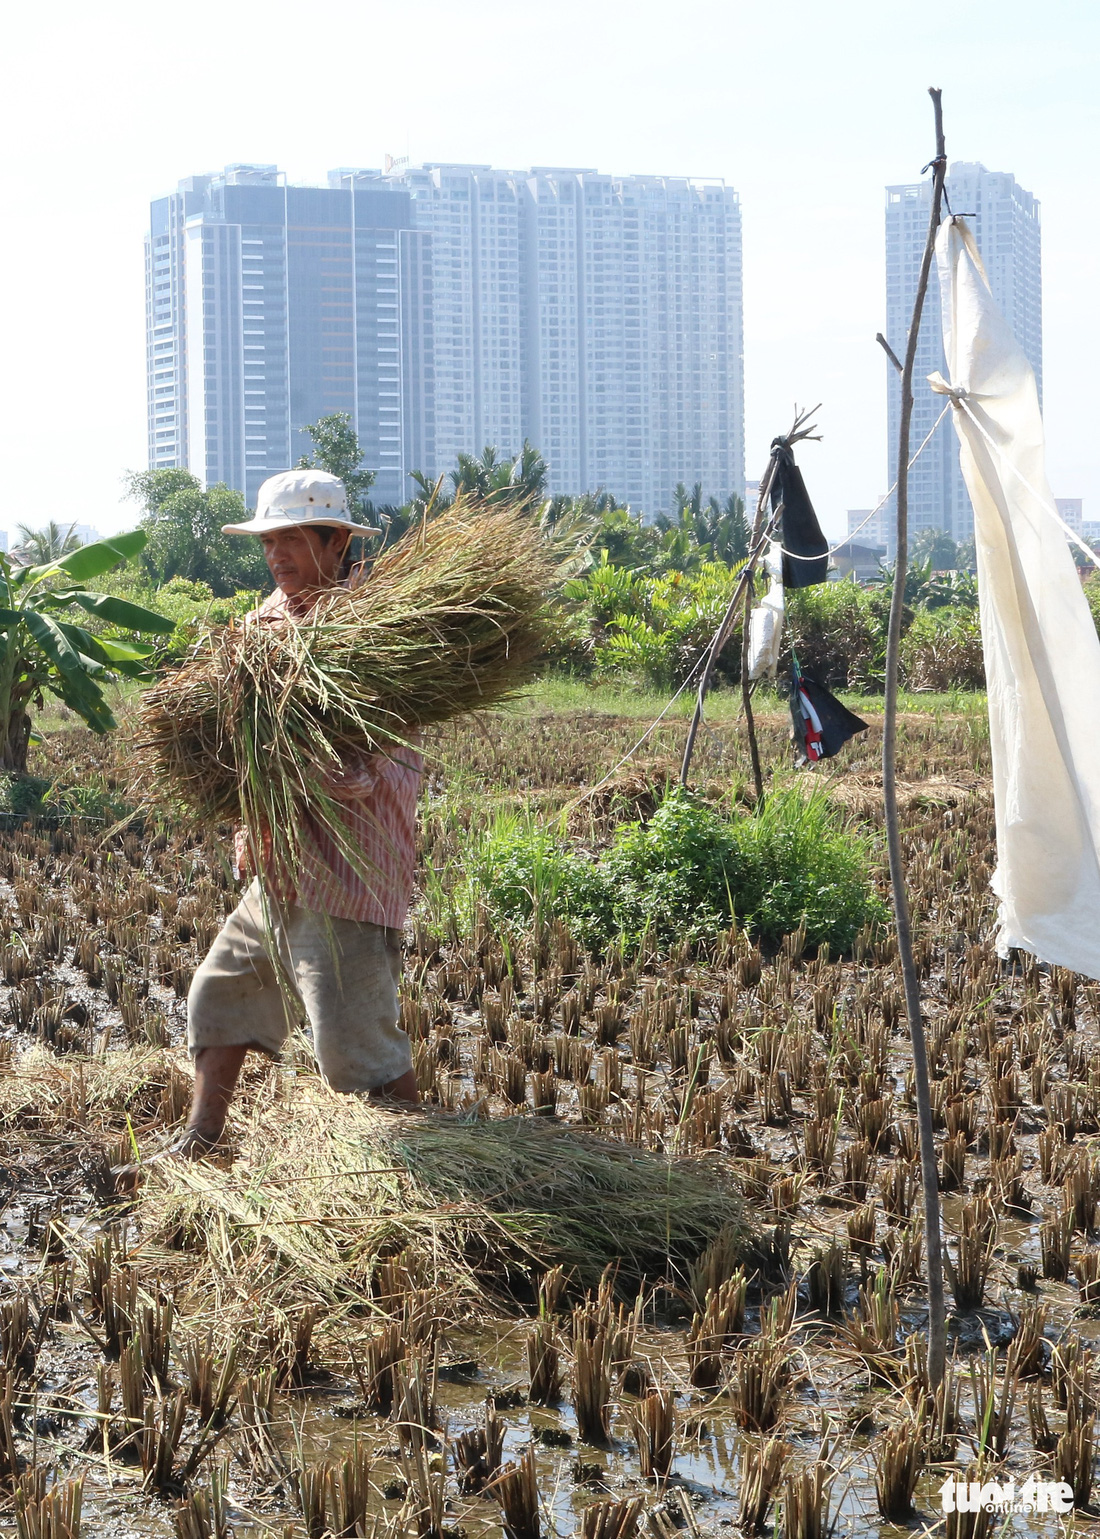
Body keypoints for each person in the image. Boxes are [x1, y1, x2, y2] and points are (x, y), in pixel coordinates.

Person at [175, 468, 422, 1159]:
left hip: (348, 873)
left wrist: (297, 763)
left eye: (290, 539)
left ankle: (428, 1157)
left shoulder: (374, 633)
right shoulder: (264, 624)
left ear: (336, 540)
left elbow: (374, 768)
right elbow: (244, 754)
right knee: (218, 995)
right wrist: (246, 820)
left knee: (356, 1050)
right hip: (281, 870)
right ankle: (201, 1139)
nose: (276, 555)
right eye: (268, 542)